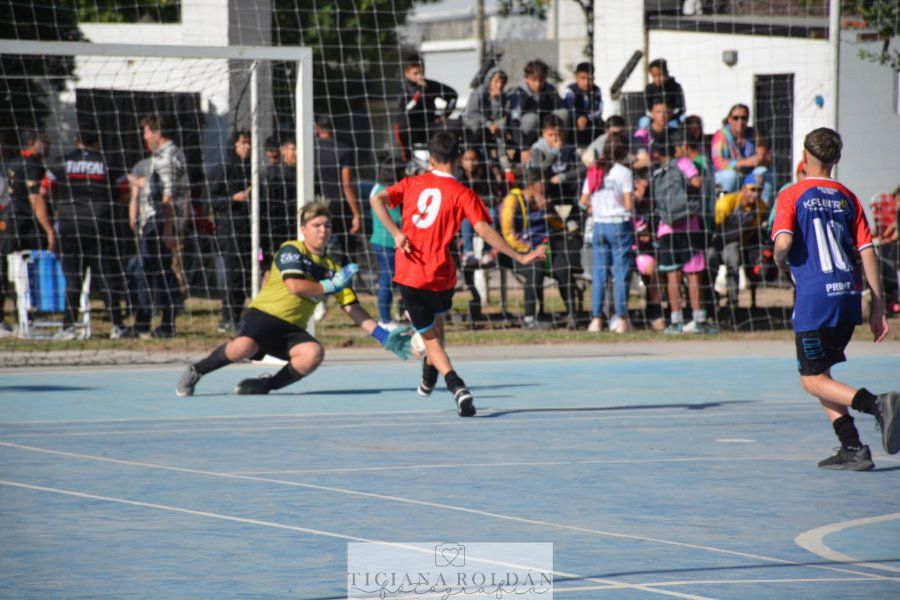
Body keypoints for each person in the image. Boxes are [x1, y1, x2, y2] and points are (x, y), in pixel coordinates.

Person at [371, 131, 545, 417]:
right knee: (436, 332)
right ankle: (428, 377)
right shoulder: (464, 193)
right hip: (441, 274)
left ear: (430, 158)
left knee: (430, 339)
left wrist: (396, 233)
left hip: (411, 273)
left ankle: (457, 386)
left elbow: (377, 200)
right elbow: (484, 230)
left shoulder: (412, 183)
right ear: (459, 159)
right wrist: (520, 256)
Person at [176, 201, 413, 397]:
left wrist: (382, 335)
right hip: (263, 317)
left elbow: (352, 308)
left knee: (313, 353)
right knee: (243, 346)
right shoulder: (292, 249)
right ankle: (196, 371)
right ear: (303, 229)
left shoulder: (333, 268)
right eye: (317, 225)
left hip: (291, 330)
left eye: (327, 225)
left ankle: (263, 386)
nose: (323, 230)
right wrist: (329, 286)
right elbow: (294, 286)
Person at [771, 127, 899, 470]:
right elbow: (867, 252)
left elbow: (783, 244)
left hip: (815, 298)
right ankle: (854, 448)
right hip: (848, 295)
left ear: (803, 158)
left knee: (811, 380)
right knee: (822, 376)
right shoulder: (849, 198)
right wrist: (878, 306)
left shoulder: (791, 194)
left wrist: (779, 259)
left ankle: (876, 404)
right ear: (837, 159)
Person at [53, 130, 128, 340]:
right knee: (107, 277)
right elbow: (125, 192)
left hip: (70, 227)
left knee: (73, 278)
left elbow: (43, 190)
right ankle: (117, 326)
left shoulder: (61, 162)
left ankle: (68, 326)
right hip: (101, 226)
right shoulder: (109, 162)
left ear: (76, 141)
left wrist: (58, 210)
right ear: (98, 141)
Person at [129, 115, 187, 338]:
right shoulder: (162, 156)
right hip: (155, 223)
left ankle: (162, 324)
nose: (144, 137)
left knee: (158, 273)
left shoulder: (168, 158)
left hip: (159, 224)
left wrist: (168, 230)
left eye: (146, 132)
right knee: (154, 272)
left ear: (157, 133)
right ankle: (152, 322)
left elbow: (168, 198)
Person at [652, 140, 717, 334]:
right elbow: (696, 182)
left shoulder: (658, 172)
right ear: (676, 150)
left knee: (672, 275)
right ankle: (698, 319)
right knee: (694, 274)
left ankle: (676, 321)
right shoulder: (684, 164)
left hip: (666, 229)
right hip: (689, 226)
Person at [499, 168, 575, 330]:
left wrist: (547, 210)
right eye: (542, 184)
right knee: (536, 268)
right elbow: (508, 233)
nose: (545, 187)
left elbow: (560, 226)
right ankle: (529, 318)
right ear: (532, 185)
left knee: (564, 268)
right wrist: (529, 249)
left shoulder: (544, 202)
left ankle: (572, 314)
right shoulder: (513, 200)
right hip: (519, 253)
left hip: (547, 250)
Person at [1, 130, 55, 335]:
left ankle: (19, 317)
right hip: (25, 223)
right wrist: (48, 228)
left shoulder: (11, 164)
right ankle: (29, 316)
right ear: (32, 143)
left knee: (10, 270)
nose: (46, 146)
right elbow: (35, 199)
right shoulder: (33, 165)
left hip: (10, 220)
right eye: (43, 142)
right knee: (29, 268)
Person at [580, 135, 634, 333]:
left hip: (599, 226)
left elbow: (584, 199)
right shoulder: (624, 173)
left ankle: (596, 319)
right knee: (621, 273)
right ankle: (620, 319)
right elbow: (628, 204)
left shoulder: (595, 170)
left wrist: (597, 206)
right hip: (619, 224)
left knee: (600, 274)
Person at [207, 130, 252, 333]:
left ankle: (238, 315)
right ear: (234, 145)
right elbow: (212, 200)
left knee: (245, 275)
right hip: (229, 228)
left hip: (250, 229)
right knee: (232, 273)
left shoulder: (252, 170)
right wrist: (233, 199)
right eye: (243, 143)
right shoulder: (223, 170)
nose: (247, 147)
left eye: (249, 143)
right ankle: (228, 317)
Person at [710, 173, 768, 307]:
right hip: (715, 241)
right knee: (711, 259)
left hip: (734, 242)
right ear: (743, 189)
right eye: (752, 189)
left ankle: (732, 302)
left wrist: (741, 248)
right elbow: (715, 227)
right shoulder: (726, 203)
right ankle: (710, 298)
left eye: (759, 190)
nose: (756, 194)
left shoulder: (760, 207)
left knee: (733, 257)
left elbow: (750, 232)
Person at [314, 116, 361, 264]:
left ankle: (321, 282)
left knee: (319, 247)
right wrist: (356, 213)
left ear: (317, 129)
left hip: (317, 204)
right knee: (348, 247)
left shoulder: (310, 149)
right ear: (333, 129)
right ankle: (346, 284)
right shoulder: (343, 149)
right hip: (339, 205)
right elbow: (347, 184)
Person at [369, 150, 405, 329]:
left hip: (379, 240)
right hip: (387, 242)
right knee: (387, 278)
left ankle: (393, 314)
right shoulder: (387, 191)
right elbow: (397, 217)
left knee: (390, 278)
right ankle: (384, 319)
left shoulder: (377, 187)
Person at [395, 56, 458, 157]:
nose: (419, 76)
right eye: (415, 73)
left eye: (421, 73)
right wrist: (419, 93)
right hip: (412, 129)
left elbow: (453, 95)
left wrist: (444, 115)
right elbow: (407, 110)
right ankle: (407, 160)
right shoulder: (403, 90)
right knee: (402, 127)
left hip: (431, 126)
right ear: (407, 74)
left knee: (457, 125)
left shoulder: (430, 85)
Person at [711, 104, 773, 203]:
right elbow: (719, 164)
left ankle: (763, 210)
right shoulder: (721, 135)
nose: (740, 121)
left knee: (766, 172)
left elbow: (763, 154)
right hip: (724, 176)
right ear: (729, 119)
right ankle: (725, 208)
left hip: (747, 175)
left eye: (744, 118)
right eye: (736, 118)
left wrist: (764, 158)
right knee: (731, 176)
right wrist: (745, 162)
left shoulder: (753, 133)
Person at [509, 59, 568, 155]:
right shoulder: (518, 94)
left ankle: (560, 146)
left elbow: (560, 108)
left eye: (541, 80)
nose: (538, 84)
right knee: (531, 119)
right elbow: (514, 121)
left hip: (548, 130)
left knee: (563, 113)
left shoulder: (550, 90)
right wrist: (523, 147)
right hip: (526, 135)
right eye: (534, 80)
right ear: (526, 78)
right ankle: (525, 150)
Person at [526, 114, 585, 204]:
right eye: (550, 135)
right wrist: (555, 151)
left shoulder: (569, 148)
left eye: (558, 134)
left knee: (581, 180)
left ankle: (577, 210)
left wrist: (563, 177)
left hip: (564, 182)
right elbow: (540, 169)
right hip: (547, 186)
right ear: (543, 133)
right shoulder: (537, 148)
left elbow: (583, 168)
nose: (555, 138)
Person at [462, 66, 510, 167]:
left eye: (502, 82)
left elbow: (499, 115)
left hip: (490, 125)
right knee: (478, 129)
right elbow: (472, 112)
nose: (499, 85)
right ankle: (479, 156)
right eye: (496, 82)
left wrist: (496, 100)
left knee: (501, 127)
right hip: (473, 123)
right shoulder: (478, 93)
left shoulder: (503, 97)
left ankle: (502, 157)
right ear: (489, 81)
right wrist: (488, 123)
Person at [265, 136, 299, 267]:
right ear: (283, 150)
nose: (296, 153)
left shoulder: (306, 171)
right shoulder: (272, 173)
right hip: (276, 226)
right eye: (293, 149)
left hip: (295, 225)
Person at [563, 62, 604, 148]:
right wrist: (578, 117)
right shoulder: (570, 90)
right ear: (576, 78)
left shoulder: (596, 90)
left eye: (590, 79)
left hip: (590, 121)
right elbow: (569, 108)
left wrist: (587, 118)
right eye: (583, 78)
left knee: (602, 124)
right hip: (574, 122)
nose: (586, 82)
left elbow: (599, 110)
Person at [640, 58, 686, 129]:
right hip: (655, 118)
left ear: (666, 73)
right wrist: (656, 116)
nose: (657, 78)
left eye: (660, 75)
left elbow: (681, 107)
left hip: (672, 117)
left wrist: (671, 115)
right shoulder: (649, 88)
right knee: (644, 121)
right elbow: (647, 108)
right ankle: (645, 139)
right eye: (654, 76)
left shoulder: (675, 87)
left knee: (683, 119)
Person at [632, 101, 677, 170]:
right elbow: (636, 159)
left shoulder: (676, 133)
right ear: (652, 114)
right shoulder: (641, 134)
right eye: (658, 112)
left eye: (665, 112)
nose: (662, 115)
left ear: (671, 114)